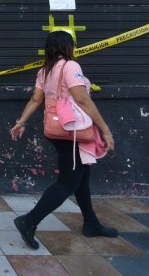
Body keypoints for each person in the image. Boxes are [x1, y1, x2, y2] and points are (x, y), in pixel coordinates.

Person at [9, 30, 118, 250]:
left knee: (82, 178)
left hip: (56, 131)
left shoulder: (44, 71)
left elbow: (35, 99)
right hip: (73, 131)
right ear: (68, 47)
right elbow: (82, 100)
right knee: (68, 182)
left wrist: (21, 122)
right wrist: (105, 129)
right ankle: (29, 220)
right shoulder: (71, 66)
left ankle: (91, 223)